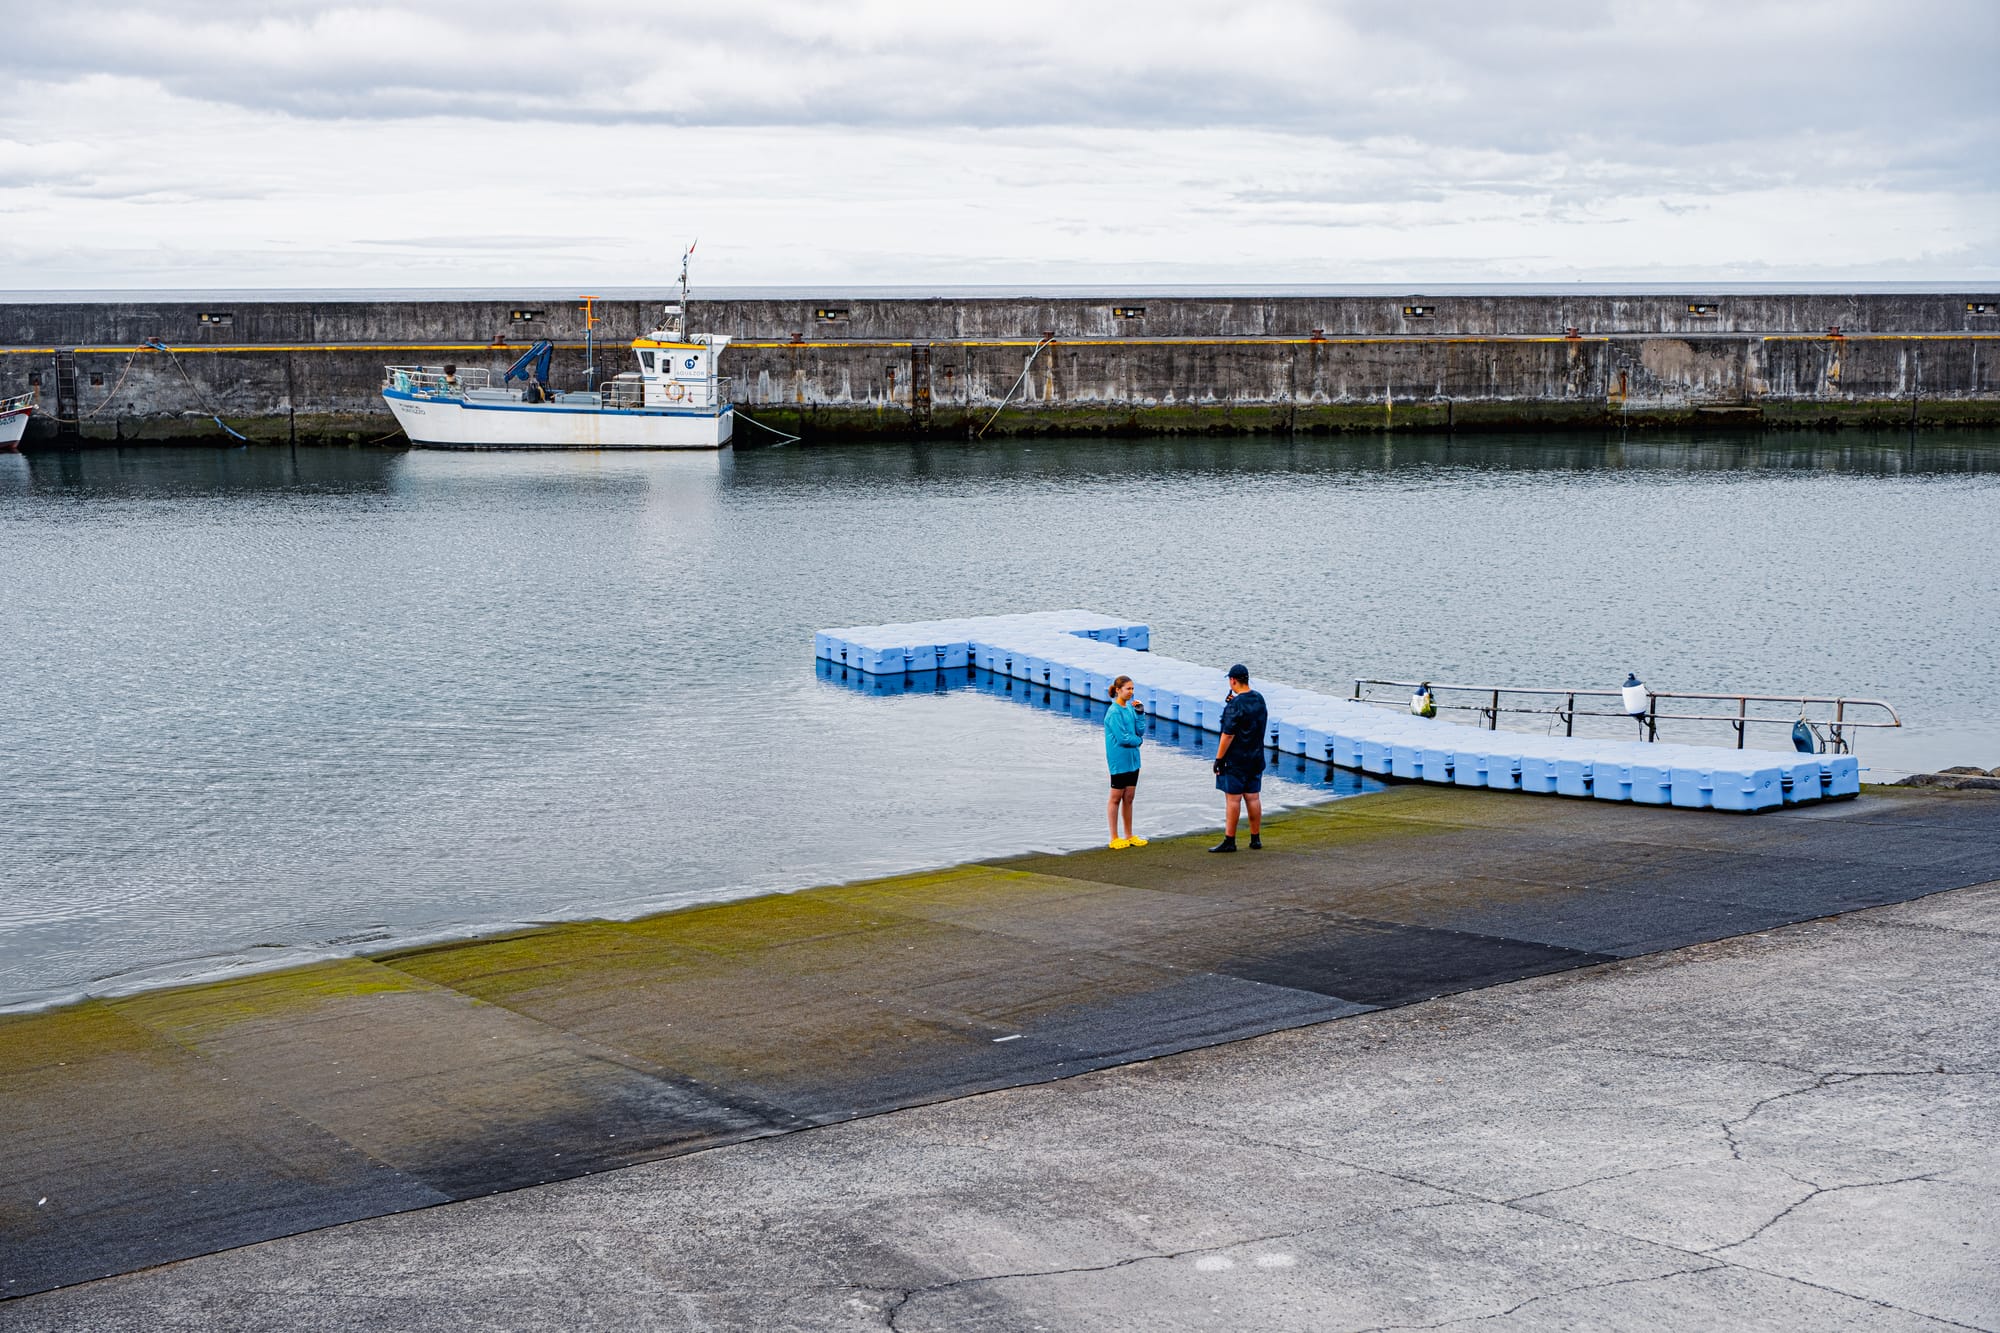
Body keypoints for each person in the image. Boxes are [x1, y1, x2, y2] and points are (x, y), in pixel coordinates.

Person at [1210, 663, 1267, 853]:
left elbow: (1228, 734)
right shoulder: (1259, 699)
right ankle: (1255, 838)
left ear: (1233, 680)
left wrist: (1219, 758)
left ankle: (1230, 840)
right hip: (1256, 756)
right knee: (1253, 797)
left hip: (1236, 759)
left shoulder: (1235, 705)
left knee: (1233, 799)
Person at [1103, 675, 1148, 849]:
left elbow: (1139, 731)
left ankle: (1129, 835)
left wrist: (1140, 714)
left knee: (1129, 797)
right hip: (1119, 759)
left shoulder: (1129, 709)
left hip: (1133, 760)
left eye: (1132, 688)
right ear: (1118, 690)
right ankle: (1114, 837)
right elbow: (1122, 738)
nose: (1131, 692)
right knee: (1116, 797)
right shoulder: (1113, 712)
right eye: (1128, 688)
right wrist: (1138, 741)